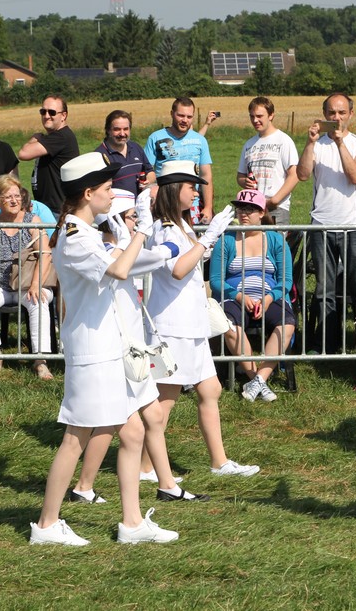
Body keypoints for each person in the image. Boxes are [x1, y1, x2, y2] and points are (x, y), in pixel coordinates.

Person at [29, 153, 181, 547]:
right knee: (75, 438)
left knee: (133, 431)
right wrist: (143, 232)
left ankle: (132, 523)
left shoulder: (88, 233)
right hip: (92, 352)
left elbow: (124, 262)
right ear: (87, 193)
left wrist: (154, 249)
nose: (113, 195)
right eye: (108, 189)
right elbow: (119, 269)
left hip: (111, 348)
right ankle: (46, 525)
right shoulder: (76, 237)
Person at [68, 188, 208, 505]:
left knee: (151, 417)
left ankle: (166, 485)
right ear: (117, 220)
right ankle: (84, 487)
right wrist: (172, 246)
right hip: (117, 348)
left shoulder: (119, 248)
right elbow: (142, 261)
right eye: (133, 217)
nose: (137, 222)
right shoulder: (108, 250)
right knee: (112, 424)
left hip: (132, 347)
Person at [144, 160, 260, 477]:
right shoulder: (165, 229)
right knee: (165, 401)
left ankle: (219, 462)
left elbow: (191, 258)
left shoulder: (180, 225)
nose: (197, 193)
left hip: (190, 324)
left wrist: (205, 242)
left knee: (210, 389)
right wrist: (208, 238)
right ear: (173, 191)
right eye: (191, 187)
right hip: (173, 327)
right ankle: (144, 467)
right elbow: (178, 269)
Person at [296, 93, 356, 354]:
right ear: (324, 115)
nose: (336, 118)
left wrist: (340, 143)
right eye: (331, 113)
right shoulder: (317, 145)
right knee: (324, 288)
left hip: (354, 226)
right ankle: (327, 343)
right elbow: (302, 174)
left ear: (351, 114)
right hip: (322, 225)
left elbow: (355, 176)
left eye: (341, 112)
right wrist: (310, 143)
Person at [209, 189, 296, 403]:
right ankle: (255, 379)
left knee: (287, 324)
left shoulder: (275, 239)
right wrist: (239, 296)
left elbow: (286, 280)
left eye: (250, 209)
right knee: (229, 325)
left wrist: (269, 298)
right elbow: (216, 280)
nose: (243, 214)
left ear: (262, 213)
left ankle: (258, 380)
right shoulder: (226, 240)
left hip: (269, 297)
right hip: (235, 297)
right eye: (240, 209)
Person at [0, 174, 54, 379]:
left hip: (28, 282)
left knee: (39, 301)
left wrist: (36, 284)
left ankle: (40, 360)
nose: (14, 200)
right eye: (8, 197)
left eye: (17, 196)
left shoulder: (32, 220)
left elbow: (45, 254)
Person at [144, 97, 215, 224]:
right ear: (172, 114)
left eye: (189, 117)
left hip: (191, 205)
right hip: (164, 203)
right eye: (181, 115)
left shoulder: (200, 140)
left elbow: (206, 175)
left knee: (190, 236)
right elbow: (147, 171)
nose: (185, 120)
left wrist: (208, 207)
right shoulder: (155, 138)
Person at [236, 96, 300, 226]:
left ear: (271, 115)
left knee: (274, 240)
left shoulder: (283, 140)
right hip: (252, 208)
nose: (255, 120)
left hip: (276, 209)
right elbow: (240, 176)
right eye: (252, 116)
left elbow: (294, 175)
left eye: (259, 116)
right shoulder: (249, 144)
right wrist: (244, 181)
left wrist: (274, 200)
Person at [18, 94, 80, 213]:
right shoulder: (56, 137)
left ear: (64, 115)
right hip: (50, 208)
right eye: (43, 112)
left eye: (52, 112)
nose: (46, 116)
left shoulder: (60, 137)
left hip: (56, 210)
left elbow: (23, 154)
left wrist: (36, 137)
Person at [95, 109, 152, 196]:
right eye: (117, 129)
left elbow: (150, 171)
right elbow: (97, 189)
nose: (122, 134)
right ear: (108, 130)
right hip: (116, 204)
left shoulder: (136, 147)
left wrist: (148, 180)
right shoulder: (99, 156)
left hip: (140, 202)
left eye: (126, 129)